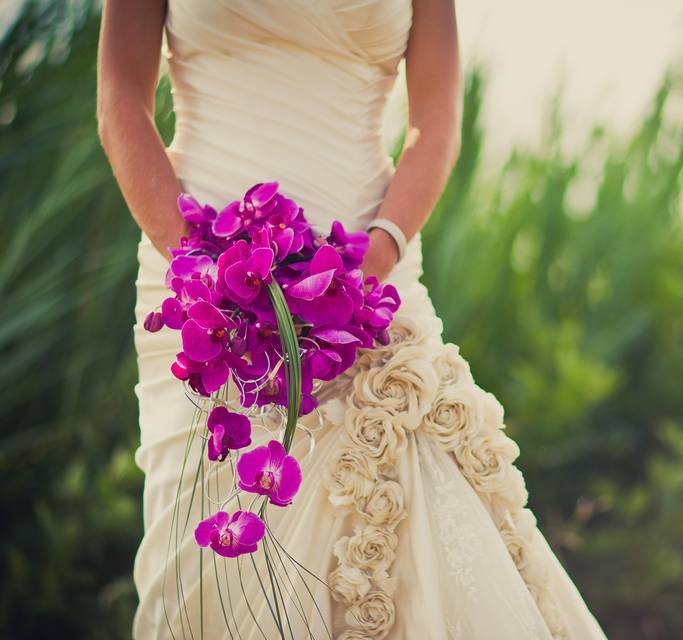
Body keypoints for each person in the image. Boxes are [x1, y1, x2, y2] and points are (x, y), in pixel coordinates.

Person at [96, 1, 608, 638]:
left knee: (419, 520)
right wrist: (201, 266)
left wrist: (369, 265)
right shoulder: (199, 271)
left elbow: (437, 121)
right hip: (199, 273)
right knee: (211, 557)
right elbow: (120, 94)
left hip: (368, 279)